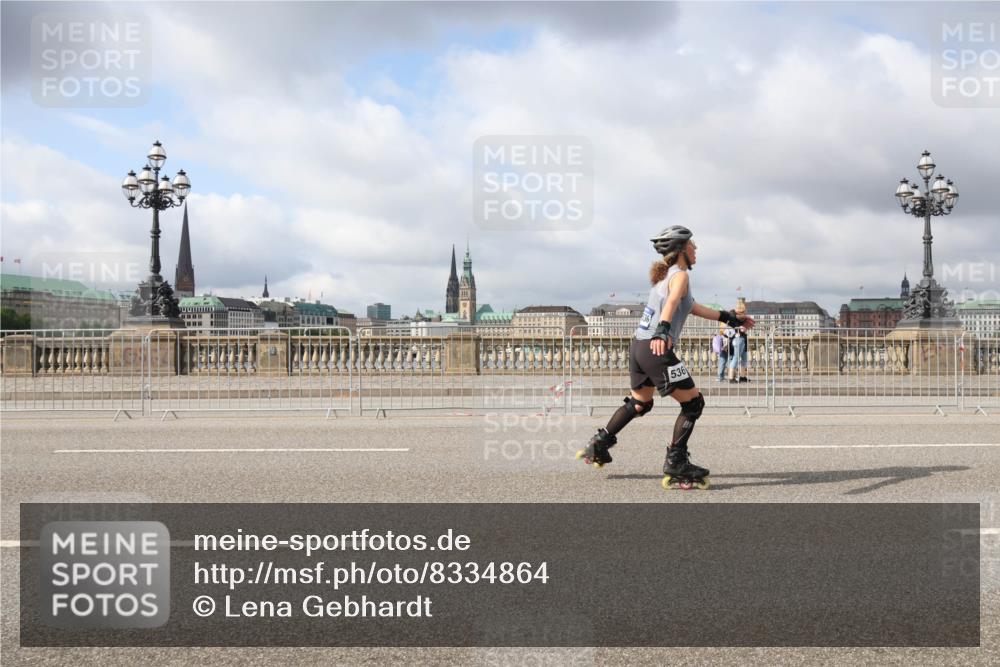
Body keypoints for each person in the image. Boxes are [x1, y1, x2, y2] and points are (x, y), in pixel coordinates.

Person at [577, 225, 755, 488]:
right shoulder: (679, 276)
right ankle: (676, 462)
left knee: (640, 402)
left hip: (639, 347)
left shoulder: (666, 276)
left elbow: (691, 307)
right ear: (682, 249)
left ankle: (599, 444)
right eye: (693, 245)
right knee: (693, 403)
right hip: (655, 347)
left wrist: (730, 318)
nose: (697, 249)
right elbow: (672, 304)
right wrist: (663, 331)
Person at [725, 300, 750, 383]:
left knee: (744, 359)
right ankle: (731, 377)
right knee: (736, 358)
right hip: (738, 339)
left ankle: (742, 377)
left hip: (742, 339)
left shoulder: (741, 317)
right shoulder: (734, 317)